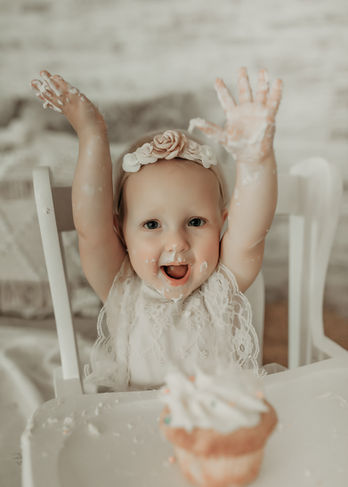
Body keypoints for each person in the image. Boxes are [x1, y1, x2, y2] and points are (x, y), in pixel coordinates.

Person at [31, 68, 282, 391]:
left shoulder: (222, 289)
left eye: (195, 222)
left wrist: (255, 162)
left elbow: (251, 232)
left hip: (214, 426)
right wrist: (91, 132)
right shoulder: (121, 288)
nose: (176, 243)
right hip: (136, 427)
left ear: (222, 222)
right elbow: (91, 228)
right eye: (152, 224)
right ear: (120, 231)